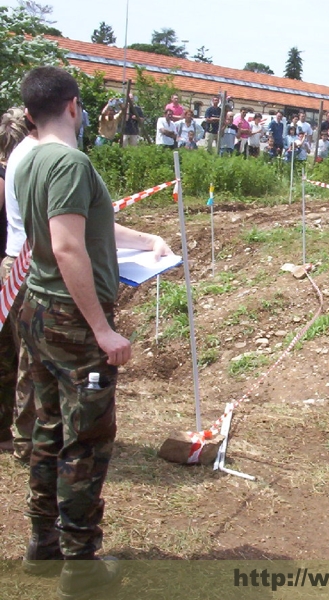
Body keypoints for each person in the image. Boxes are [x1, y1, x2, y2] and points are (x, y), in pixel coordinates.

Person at [15, 66, 174, 595]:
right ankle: (80, 564)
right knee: (85, 441)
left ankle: (43, 543)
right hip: (72, 322)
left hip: (39, 311)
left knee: (48, 429)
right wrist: (103, 330)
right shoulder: (70, 162)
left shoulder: (28, 160)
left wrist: (144, 236)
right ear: (75, 107)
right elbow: (66, 246)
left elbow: (86, 223)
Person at [3, 114, 38, 463]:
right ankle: (27, 441)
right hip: (24, 263)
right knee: (29, 356)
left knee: (17, 355)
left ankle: (20, 435)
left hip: (14, 259)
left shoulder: (20, 156)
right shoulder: (31, 156)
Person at [0, 107, 28, 454]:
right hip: (15, 268)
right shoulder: (14, 179)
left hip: (8, 266)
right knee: (21, 355)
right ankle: (23, 433)